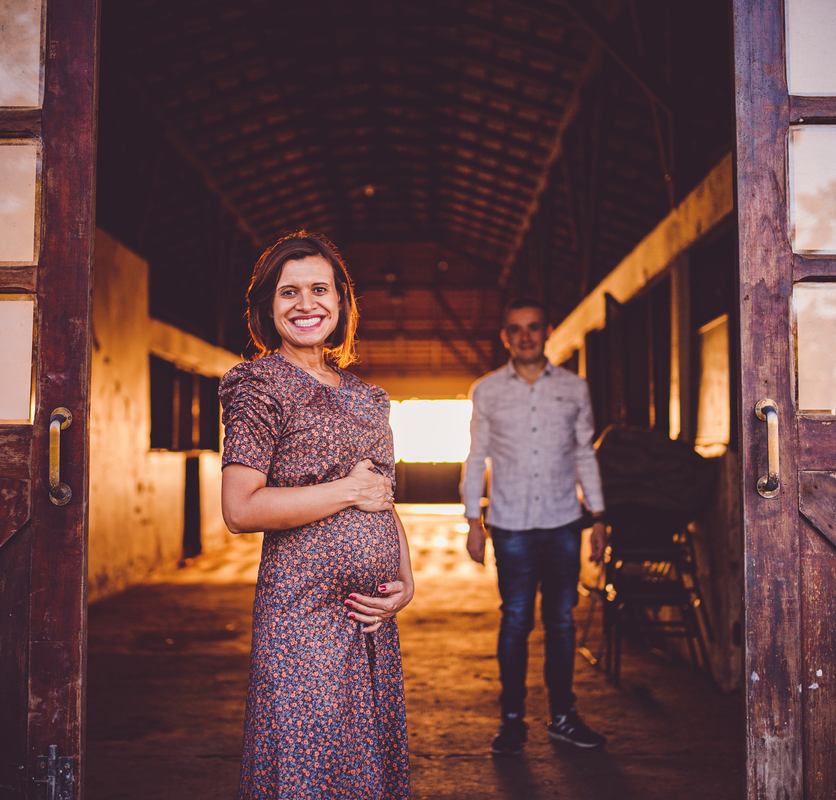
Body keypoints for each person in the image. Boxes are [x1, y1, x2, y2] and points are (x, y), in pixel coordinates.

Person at [219, 231, 413, 799]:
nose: (307, 305)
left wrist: (405, 579)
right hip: (302, 615)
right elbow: (239, 507)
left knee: (365, 761)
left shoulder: (365, 395)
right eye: (289, 293)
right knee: (309, 763)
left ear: (342, 302)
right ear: (266, 307)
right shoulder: (261, 387)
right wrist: (346, 492)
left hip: (370, 618)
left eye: (320, 289)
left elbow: (383, 495)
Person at [461, 297, 608, 756]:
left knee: (561, 622)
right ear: (505, 336)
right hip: (510, 525)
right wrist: (472, 520)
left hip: (564, 522)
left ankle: (563, 716)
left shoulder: (574, 388)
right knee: (516, 620)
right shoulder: (485, 391)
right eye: (515, 328)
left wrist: (599, 518)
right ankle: (512, 721)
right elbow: (476, 455)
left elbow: (585, 452)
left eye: (534, 327)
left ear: (547, 332)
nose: (525, 335)